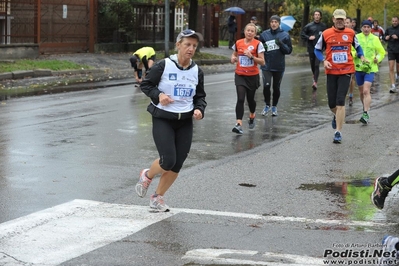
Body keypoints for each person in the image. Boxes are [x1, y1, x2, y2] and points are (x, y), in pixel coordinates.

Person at [135, 29, 207, 212]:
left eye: (194, 46)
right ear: (178, 45)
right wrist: (159, 95)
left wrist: (199, 109)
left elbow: (200, 96)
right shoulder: (163, 65)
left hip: (185, 121)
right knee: (168, 160)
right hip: (163, 118)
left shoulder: (197, 71)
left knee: (177, 163)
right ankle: (147, 175)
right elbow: (146, 85)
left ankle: (157, 198)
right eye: (187, 45)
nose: (191, 49)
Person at [314, 9, 365, 144]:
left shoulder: (351, 33)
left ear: (345, 20)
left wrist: (362, 56)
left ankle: (338, 132)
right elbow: (317, 49)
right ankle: (336, 116)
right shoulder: (326, 34)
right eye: (338, 19)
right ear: (333, 19)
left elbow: (358, 48)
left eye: (342, 19)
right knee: (332, 103)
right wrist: (323, 60)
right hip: (331, 71)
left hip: (346, 70)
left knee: (340, 100)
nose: (340, 21)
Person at [231, 23, 265, 134]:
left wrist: (252, 56)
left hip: (252, 76)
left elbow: (262, 62)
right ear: (244, 31)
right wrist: (233, 58)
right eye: (248, 30)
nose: (249, 32)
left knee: (250, 100)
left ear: (255, 33)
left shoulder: (258, 44)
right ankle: (239, 124)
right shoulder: (238, 43)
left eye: (252, 31)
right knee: (240, 98)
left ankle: (252, 115)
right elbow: (234, 55)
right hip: (240, 74)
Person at [259, 15, 293, 117]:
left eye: (276, 22)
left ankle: (274, 106)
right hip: (266, 65)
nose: (274, 24)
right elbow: (259, 48)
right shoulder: (264, 34)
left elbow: (288, 51)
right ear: (270, 23)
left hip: (279, 66)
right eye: (272, 22)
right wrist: (264, 46)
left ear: (279, 23)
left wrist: (281, 43)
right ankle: (267, 105)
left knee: (276, 88)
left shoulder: (285, 35)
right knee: (266, 86)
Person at [353, 20, 386, 124]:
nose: (366, 29)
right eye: (364, 27)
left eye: (368, 27)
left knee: (366, 91)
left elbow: (382, 52)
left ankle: (366, 113)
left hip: (370, 68)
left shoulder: (375, 39)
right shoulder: (357, 37)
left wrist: (378, 58)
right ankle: (365, 109)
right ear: (361, 28)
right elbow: (352, 50)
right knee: (361, 92)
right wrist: (355, 54)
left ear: (371, 28)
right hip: (359, 68)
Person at [300, 10, 327, 91]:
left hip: (319, 48)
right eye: (315, 15)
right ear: (313, 16)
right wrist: (309, 37)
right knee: (312, 65)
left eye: (318, 15)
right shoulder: (309, 26)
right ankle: (314, 75)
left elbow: (326, 36)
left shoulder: (323, 26)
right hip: (311, 47)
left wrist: (326, 46)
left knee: (316, 65)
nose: (317, 16)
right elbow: (302, 34)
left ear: (320, 16)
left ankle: (315, 82)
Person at [384, 16, 399, 93]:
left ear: (398, 21)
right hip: (391, 50)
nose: (394, 22)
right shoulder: (388, 29)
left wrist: (397, 37)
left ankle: (398, 76)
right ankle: (393, 85)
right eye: (393, 21)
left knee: (398, 68)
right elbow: (384, 37)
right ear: (391, 22)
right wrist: (385, 38)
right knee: (391, 68)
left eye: (396, 21)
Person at [345, 16, 356, 106]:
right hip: (342, 60)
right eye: (344, 22)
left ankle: (351, 95)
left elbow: (357, 47)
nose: (345, 24)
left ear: (351, 24)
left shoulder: (353, 34)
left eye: (347, 22)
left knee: (351, 78)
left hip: (351, 58)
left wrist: (353, 53)